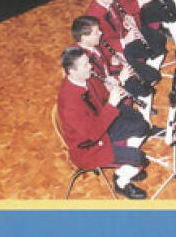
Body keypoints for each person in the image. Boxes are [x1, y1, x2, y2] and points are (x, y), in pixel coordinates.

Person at [56, 47, 148, 200]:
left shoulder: (86, 78)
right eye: (85, 65)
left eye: (89, 62)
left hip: (101, 126)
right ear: (72, 71)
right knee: (139, 158)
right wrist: (111, 105)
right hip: (89, 148)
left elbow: (103, 97)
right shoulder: (69, 105)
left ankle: (127, 165)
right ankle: (121, 182)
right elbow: (92, 134)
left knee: (142, 126)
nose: (91, 67)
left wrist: (117, 83)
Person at [70, 15, 156, 122]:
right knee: (140, 89)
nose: (100, 33)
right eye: (96, 33)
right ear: (84, 38)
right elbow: (99, 89)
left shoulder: (92, 44)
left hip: (109, 77)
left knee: (147, 84)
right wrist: (120, 79)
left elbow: (103, 61)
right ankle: (137, 110)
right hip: (105, 94)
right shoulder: (83, 62)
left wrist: (113, 60)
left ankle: (143, 102)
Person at [85, 0, 163, 87]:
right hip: (116, 50)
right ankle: (146, 76)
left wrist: (126, 22)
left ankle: (150, 68)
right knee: (153, 49)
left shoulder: (110, 1)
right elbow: (101, 43)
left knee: (158, 39)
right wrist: (125, 41)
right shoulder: (93, 16)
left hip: (125, 37)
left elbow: (118, 19)